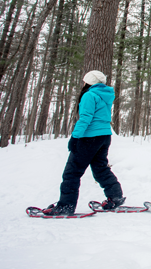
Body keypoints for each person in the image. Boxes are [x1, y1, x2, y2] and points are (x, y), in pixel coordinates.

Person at [43, 71, 124, 215]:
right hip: (104, 136)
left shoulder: (89, 95)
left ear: (88, 82)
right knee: (100, 168)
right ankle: (115, 196)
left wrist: (75, 137)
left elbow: (85, 118)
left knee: (72, 172)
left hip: (89, 138)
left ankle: (66, 205)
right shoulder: (106, 95)